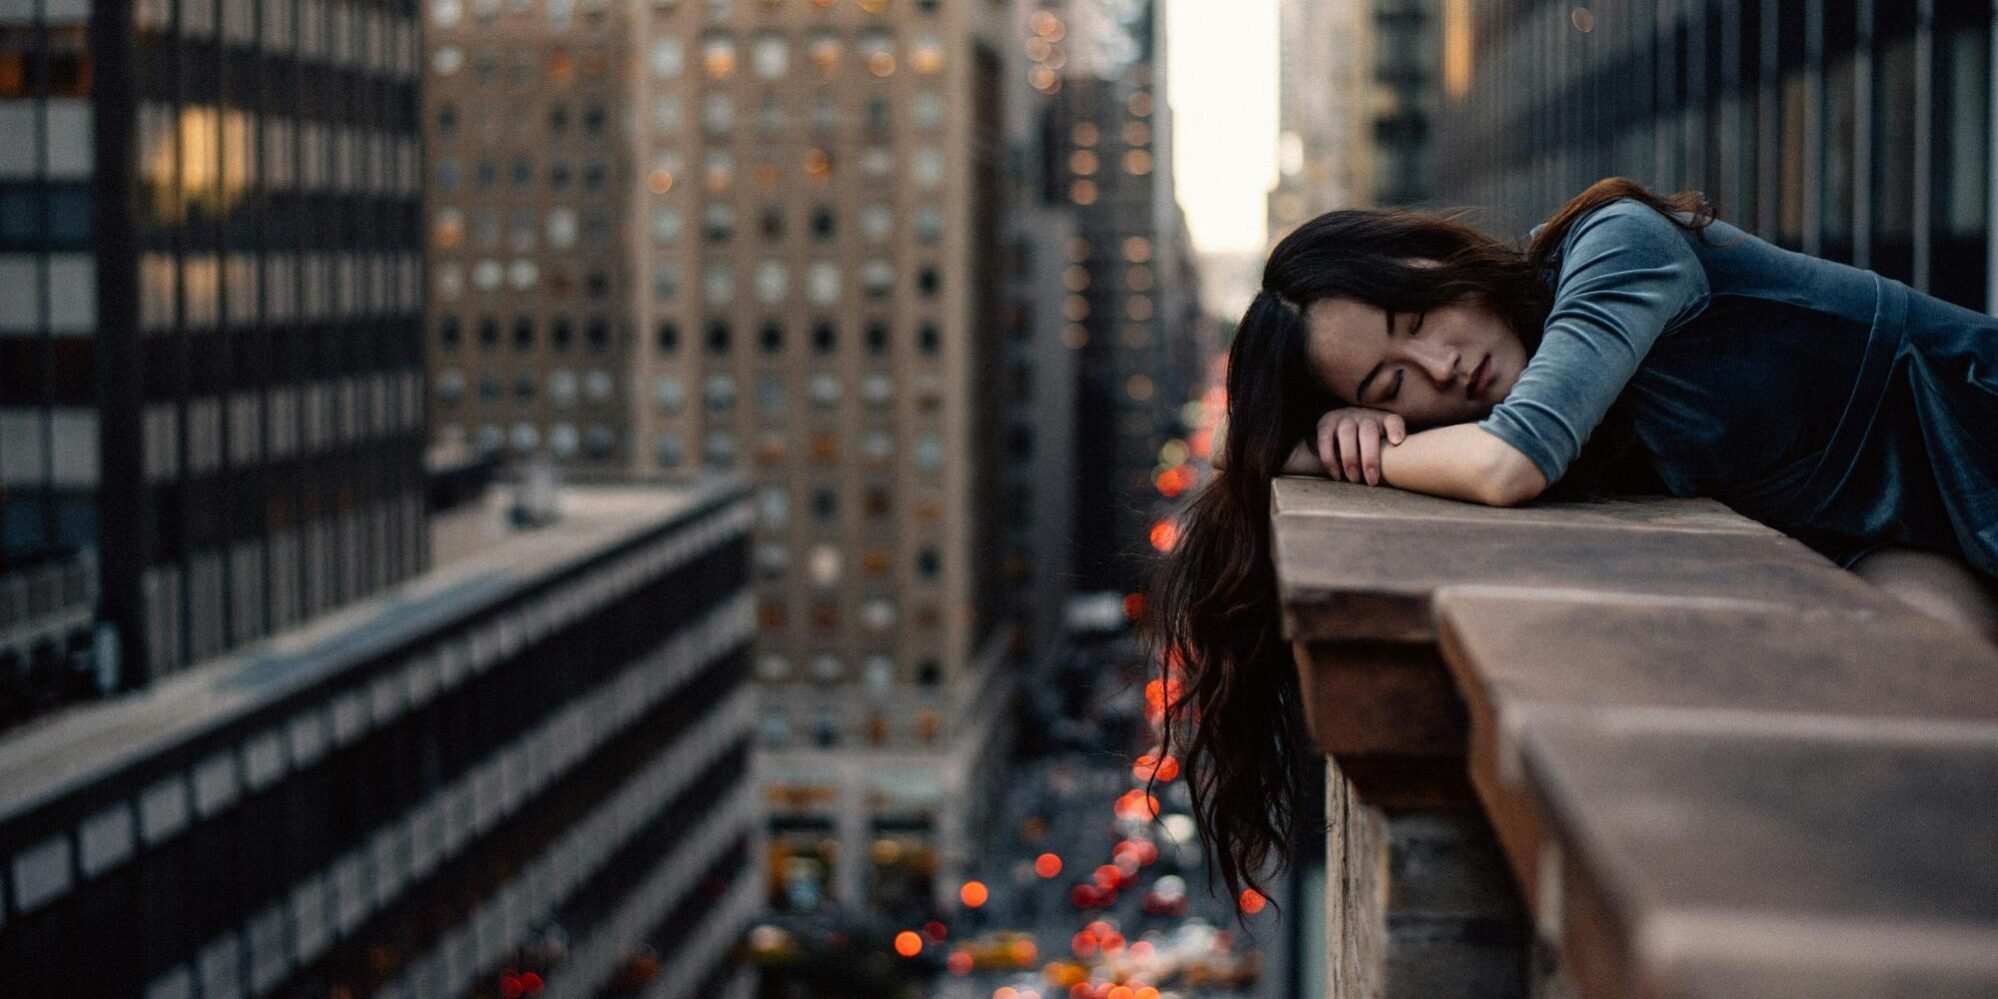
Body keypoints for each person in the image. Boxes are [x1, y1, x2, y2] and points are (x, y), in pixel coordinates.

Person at [1144, 176, 1998, 905]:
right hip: (1900, 535)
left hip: (1977, 445)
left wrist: (1342, 451)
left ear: (1442, 258)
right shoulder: (1555, 396)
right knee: (1921, 714)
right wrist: (1321, 437)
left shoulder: (1615, 246)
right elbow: (1232, 448)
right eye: (1392, 384)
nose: (1442, 367)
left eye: (1419, 314)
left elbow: (1511, 462)